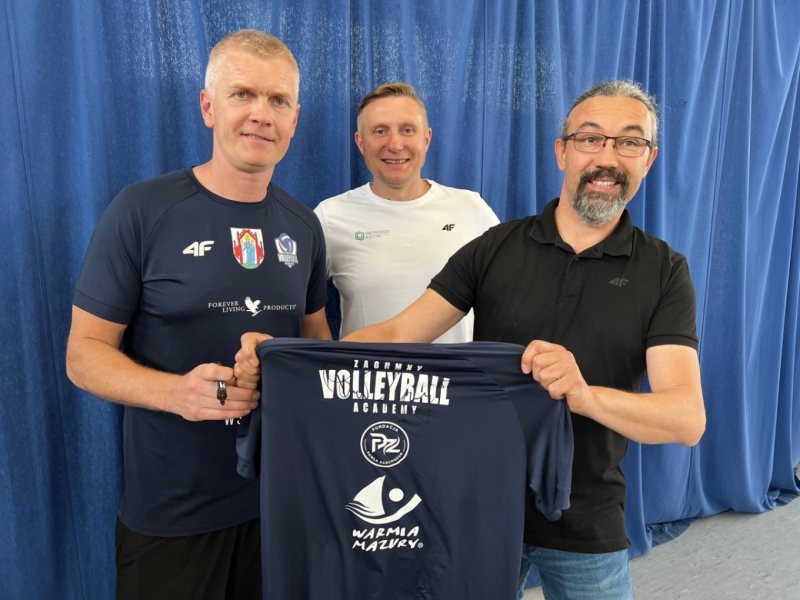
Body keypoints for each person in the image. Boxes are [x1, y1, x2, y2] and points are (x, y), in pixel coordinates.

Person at [235, 80, 706, 599]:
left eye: (629, 142)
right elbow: (397, 334)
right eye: (591, 138)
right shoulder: (496, 246)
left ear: (649, 159)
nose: (608, 158)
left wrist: (584, 395)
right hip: (473, 508)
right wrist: (286, 363)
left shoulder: (664, 271)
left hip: (587, 520)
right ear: (562, 151)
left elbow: (685, 419)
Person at [66, 29, 330, 599]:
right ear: (208, 106)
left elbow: (317, 344)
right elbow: (82, 356)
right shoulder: (142, 210)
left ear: (295, 119)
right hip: (172, 516)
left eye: (278, 100)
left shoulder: (304, 226)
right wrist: (175, 393)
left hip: (277, 505)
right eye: (243, 94)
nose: (261, 114)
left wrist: (277, 364)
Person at [313, 82, 498, 341]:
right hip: (365, 369)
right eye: (380, 131)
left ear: (426, 139)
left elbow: (510, 295)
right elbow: (303, 309)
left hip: (458, 369)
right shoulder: (330, 217)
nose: (395, 144)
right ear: (361, 143)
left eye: (407, 130)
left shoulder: (471, 209)